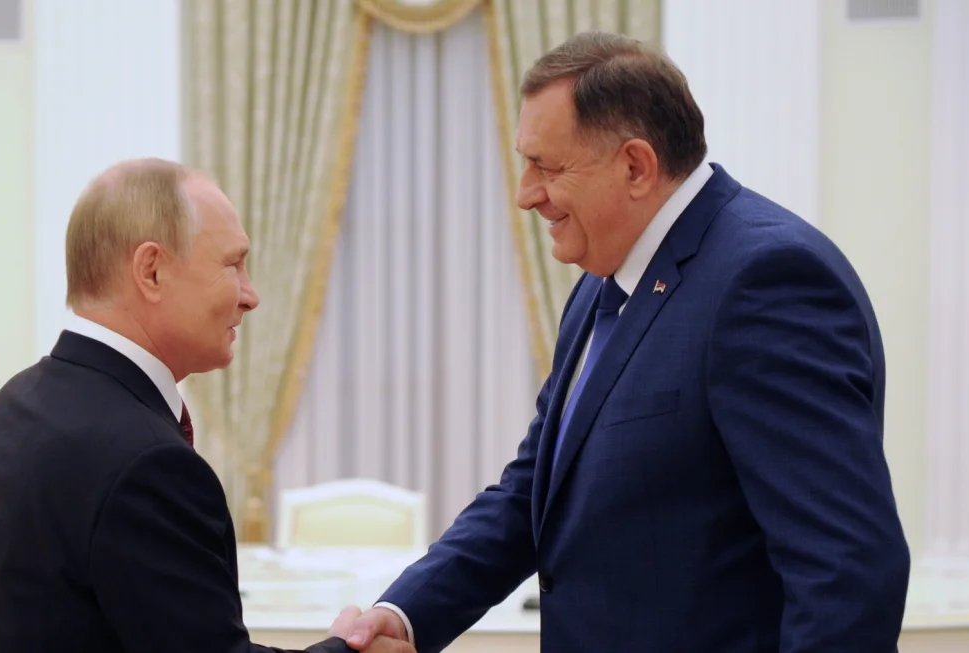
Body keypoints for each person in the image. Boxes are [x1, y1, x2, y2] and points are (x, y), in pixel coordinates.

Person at [344, 32, 910, 653]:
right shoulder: (601, 284)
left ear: (636, 166)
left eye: (547, 167)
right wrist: (405, 614)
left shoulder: (764, 281)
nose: (526, 193)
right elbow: (536, 491)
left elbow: (846, 568)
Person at [0, 159, 413, 653]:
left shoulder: (15, 404)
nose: (251, 295)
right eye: (233, 264)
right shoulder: (146, 462)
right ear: (151, 271)